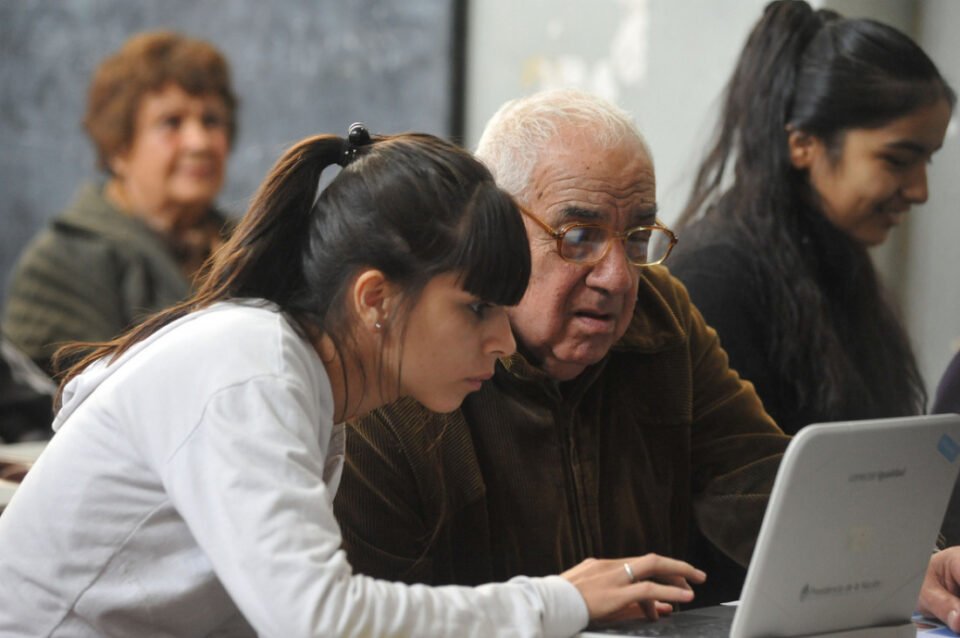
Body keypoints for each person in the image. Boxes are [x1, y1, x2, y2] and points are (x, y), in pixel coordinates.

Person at [0, 126, 706, 637]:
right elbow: (322, 621)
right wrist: (558, 601)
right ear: (376, 300)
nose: (500, 339)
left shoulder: (303, 381)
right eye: (478, 307)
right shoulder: (252, 369)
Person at [333, 88, 789, 611]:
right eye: (579, 236)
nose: (617, 278)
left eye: (638, 237)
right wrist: (558, 609)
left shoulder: (659, 318)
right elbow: (375, 619)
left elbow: (760, 485)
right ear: (495, 227)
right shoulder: (400, 369)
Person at [665, 0, 955, 601]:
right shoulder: (716, 278)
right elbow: (746, 505)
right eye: (898, 160)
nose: (921, 190)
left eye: (927, 161)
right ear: (804, 144)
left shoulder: (836, 269)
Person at [3, 30, 237, 376]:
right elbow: (50, 414)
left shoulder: (254, 242)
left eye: (211, 120)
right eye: (171, 122)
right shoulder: (60, 264)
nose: (199, 141)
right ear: (118, 147)